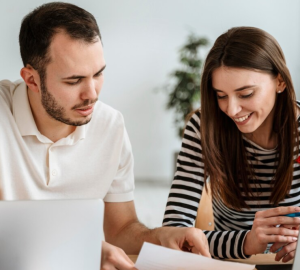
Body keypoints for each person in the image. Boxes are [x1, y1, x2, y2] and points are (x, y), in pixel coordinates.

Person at [0, 2, 210, 269]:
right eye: (74, 80)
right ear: (31, 80)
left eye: (98, 73)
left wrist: (160, 235)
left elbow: (121, 229)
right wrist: (78, 249)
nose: (92, 94)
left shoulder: (111, 126)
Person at [163, 26, 300, 263]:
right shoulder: (204, 127)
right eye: (221, 96)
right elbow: (174, 235)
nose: (232, 110)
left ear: (280, 81)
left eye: (245, 94)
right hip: (234, 264)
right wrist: (247, 242)